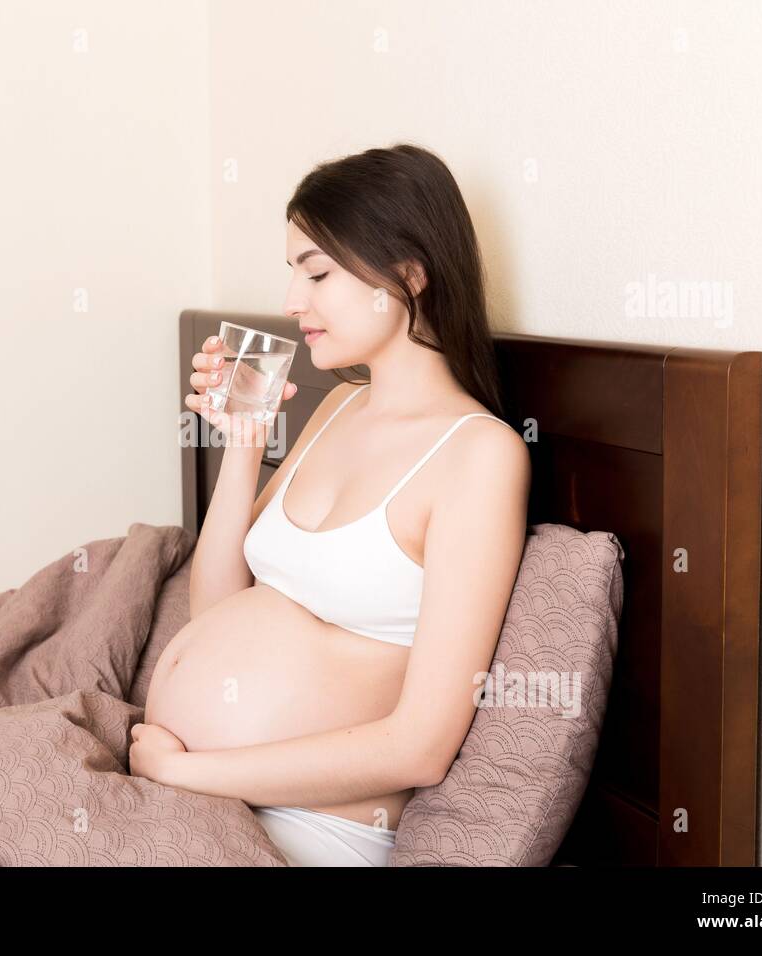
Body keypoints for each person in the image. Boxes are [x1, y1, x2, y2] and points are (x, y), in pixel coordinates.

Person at [129, 143, 531, 867]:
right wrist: (245, 444)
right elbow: (216, 617)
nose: (292, 301)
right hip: (194, 799)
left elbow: (420, 746)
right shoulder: (338, 407)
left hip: (302, 832)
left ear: (409, 274)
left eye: (316, 272)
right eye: (292, 272)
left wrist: (185, 771)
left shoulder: (480, 457)